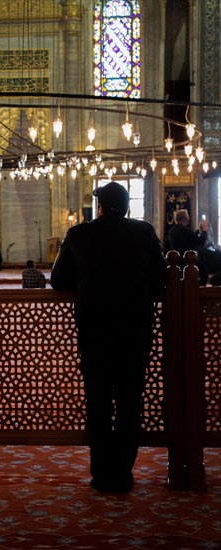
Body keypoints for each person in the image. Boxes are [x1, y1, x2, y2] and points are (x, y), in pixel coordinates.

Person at [50, 181, 167, 493]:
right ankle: (124, 473)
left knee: (99, 404)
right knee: (130, 404)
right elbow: (161, 278)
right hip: (135, 333)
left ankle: (102, 475)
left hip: (95, 334)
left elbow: (58, 280)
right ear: (127, 207)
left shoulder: (78, 234)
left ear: (98, 207)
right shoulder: (144, 232)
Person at [164, 209, 208, 284]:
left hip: (177, 262)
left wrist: (198, 231)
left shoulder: (173, 230)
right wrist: (204, 230)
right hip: (189, 262)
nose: (189, 218)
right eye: (187, 216)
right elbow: (200, 242)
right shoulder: (185, 231)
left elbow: (190, 238)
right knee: (202, 273)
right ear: (183, 218)